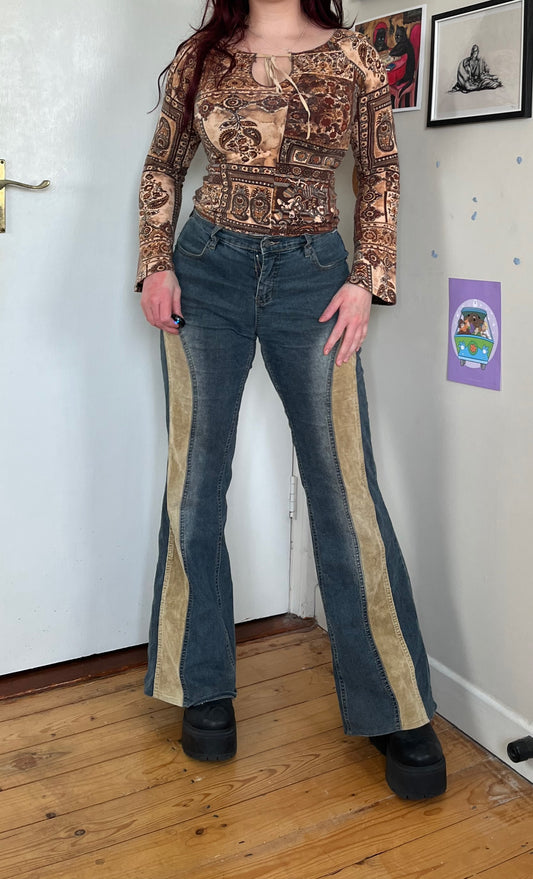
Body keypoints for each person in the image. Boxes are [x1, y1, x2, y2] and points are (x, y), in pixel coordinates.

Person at [136, 0, 446, 801]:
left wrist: (365, 279)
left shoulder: (354, 57)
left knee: (344, 490)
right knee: (196, 484)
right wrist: (155, 263)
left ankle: (395, 705)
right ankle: (200, 684)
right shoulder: (202, 53)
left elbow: (380, 174)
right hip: (205, 270)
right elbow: (163, 163)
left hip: (314, 278)